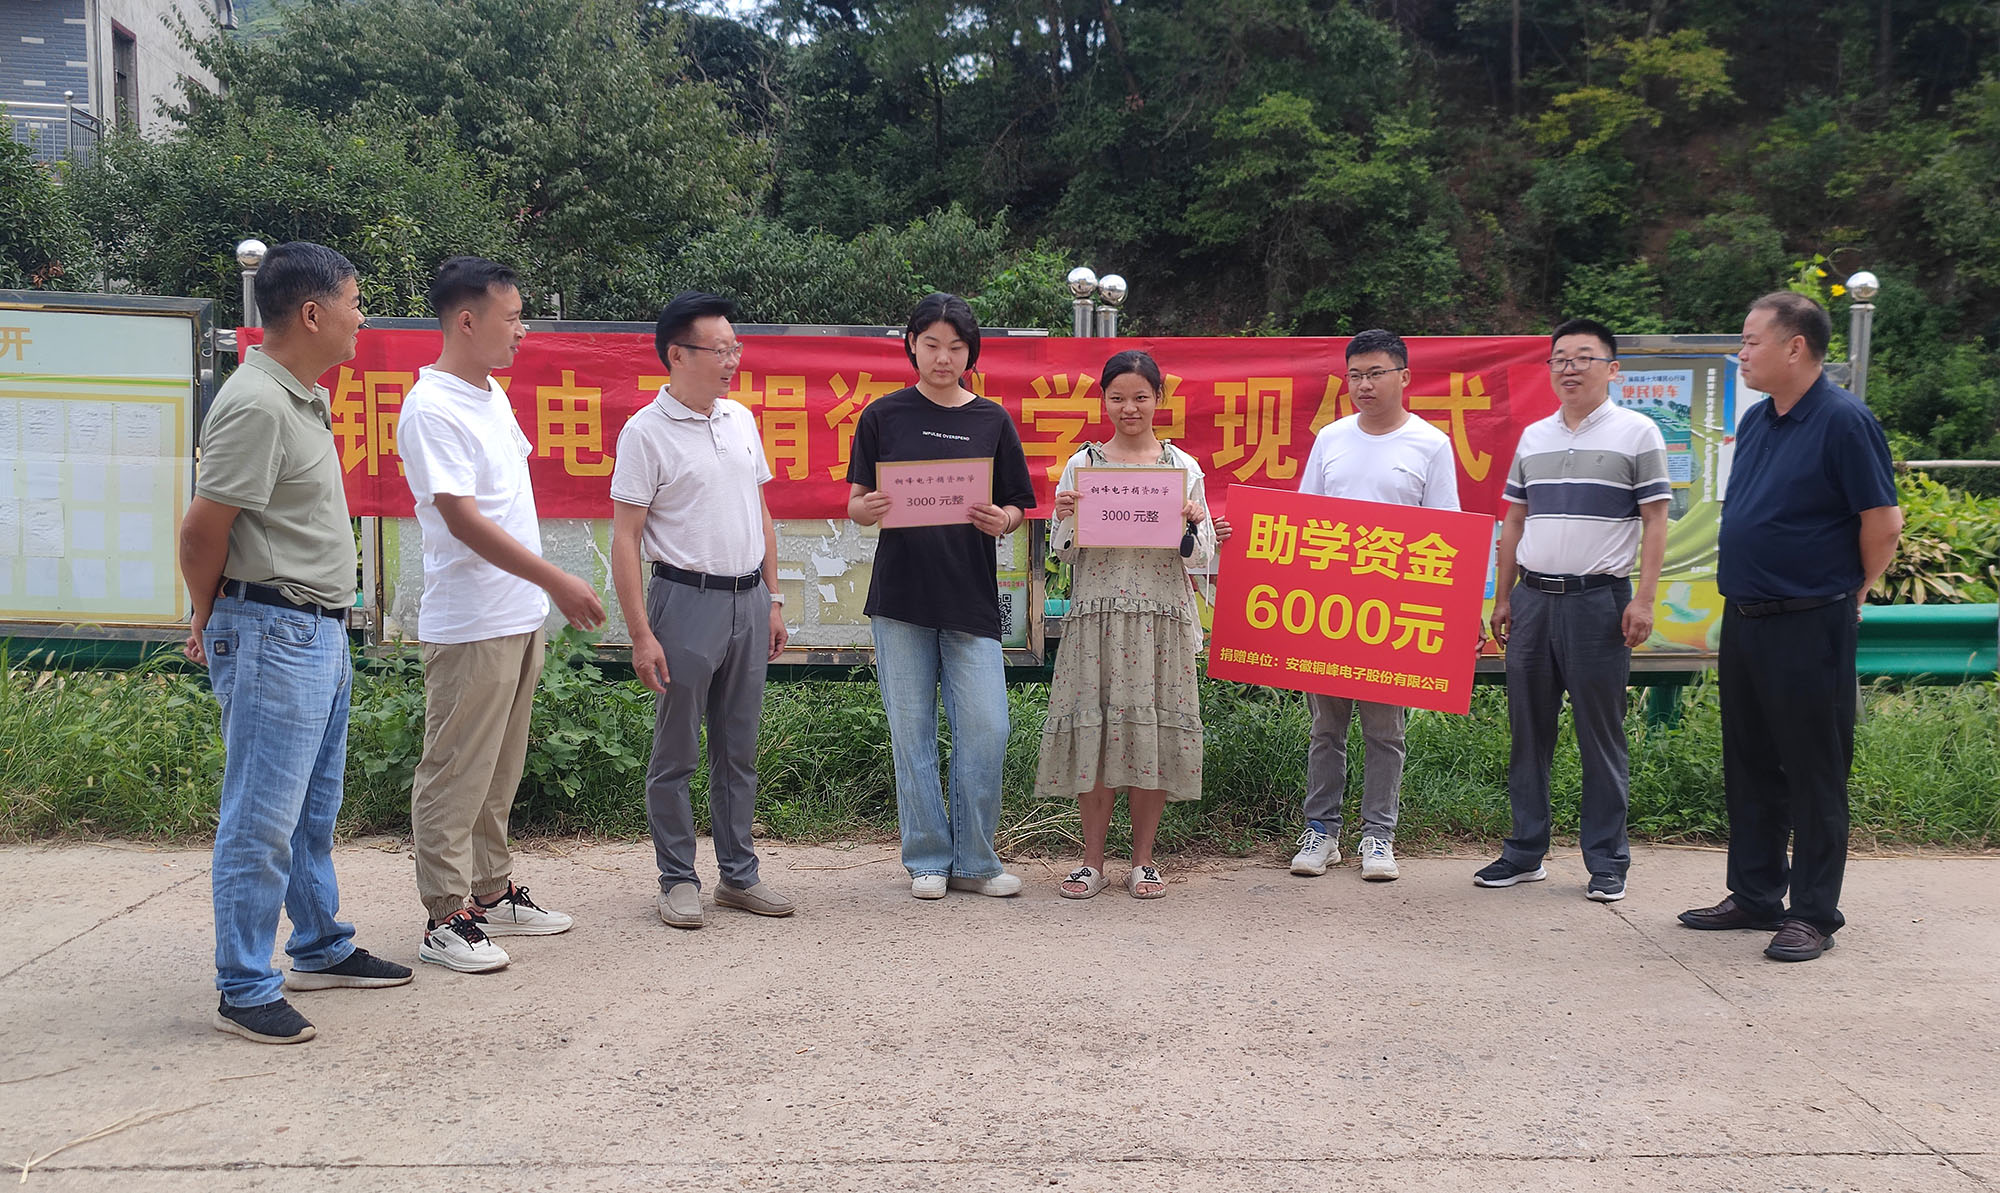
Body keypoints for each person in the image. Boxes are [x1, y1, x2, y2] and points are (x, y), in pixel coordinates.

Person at [179, 241, 412, 1044]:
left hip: (314, 629)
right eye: (355, 300)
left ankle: (319, 943)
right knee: (261, 817)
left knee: (311, 809)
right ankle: (245, 987)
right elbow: (203, 529)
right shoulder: (257, 403)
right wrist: (207, 617)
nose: (361, 317)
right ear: (312, 313)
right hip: (272, 629)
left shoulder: (301, 397)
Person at [396, 257, 606, 973]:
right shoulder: (432, 407)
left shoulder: (489, 394)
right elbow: (463, 520)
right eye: (512, 318)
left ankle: (489, 890)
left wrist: (539, 594)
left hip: (516, 614)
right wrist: (557, 580)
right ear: (467, 320)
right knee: (456, 769)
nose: (522, 331)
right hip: (470, 622)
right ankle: (444, 915)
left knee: (498, 770)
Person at [1678, 292, 1901, 961]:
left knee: (1813, 767)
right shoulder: (1760, 420)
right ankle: (1754, 894)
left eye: (1751, 341)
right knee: (1750, 762)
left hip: (1810, 620)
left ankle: (1813, 912)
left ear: (1795, 346)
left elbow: (1882, 522)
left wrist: (1852, 589)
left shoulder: (1843, 420)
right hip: (1746, 616)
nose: (1741, 353)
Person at [609, 291, 794, 930]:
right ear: (677, 355)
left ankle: (738, 876)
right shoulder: (645, 431)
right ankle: (677, 878)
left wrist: (773, 596)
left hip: (749, 600)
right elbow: (626, 538)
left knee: (738, 748)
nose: (732, 361)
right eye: (719, 350)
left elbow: (760, 512)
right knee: (677, 749)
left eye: (735, 348)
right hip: (683, 600)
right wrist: (641, 633)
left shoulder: (739, 419)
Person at [847, 293, 1038, 900]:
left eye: (955, 347)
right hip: (900, 597)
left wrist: (1003, 520)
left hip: (970, 597)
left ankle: (975, 861)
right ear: (911, 344)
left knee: (987, 728)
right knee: (913, 734)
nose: (942, 357)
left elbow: (1018, 505)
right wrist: (869, 508)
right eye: (931, 344)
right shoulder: (883, 416)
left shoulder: (992, 420)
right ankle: (928, 858)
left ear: (970, 353)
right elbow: (855, 504)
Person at [1477, 317, 1669, 904]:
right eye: (1560, 358)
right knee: (1527, 732)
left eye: (1584, 357)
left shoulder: (1638, 433)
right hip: (1533, 601)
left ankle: (1607, 861)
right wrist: (1504, 595)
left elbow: (1656, 519)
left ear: (1612, 369)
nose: (1569, 368)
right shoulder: (1534, 436)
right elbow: (1514, 519)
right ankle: (1524, 851)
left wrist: (1644, 599)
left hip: (1599, 602)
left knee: (1600, 735)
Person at [1037, 351, 1231, 900]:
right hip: (1096, 617)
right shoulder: (1084, 464)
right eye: (1118, 397)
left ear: (1158, 400)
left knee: (1154, 732)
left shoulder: (1182, 466)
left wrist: (1196, 521)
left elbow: (1201, 557)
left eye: (1140, 397)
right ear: (1103, 400)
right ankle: (1091, 862)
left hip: (1160, 617)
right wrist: (1063, 515)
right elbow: (1062, 551)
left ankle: (1144, 861)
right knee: (1097, 734)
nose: (1129, 408)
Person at [1288, 329, 1460, 883]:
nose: (1364, 384)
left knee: (1386, 731)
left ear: (1404, 377)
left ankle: (1378, 836)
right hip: (1330, 608)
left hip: (1393, 612)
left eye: (1376, 373)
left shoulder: (1430, 444)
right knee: (1326, 729)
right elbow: (1304, 521)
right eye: (1355, 375)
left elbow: (1446, 535)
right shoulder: (1331, 438)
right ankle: (1321, 832)